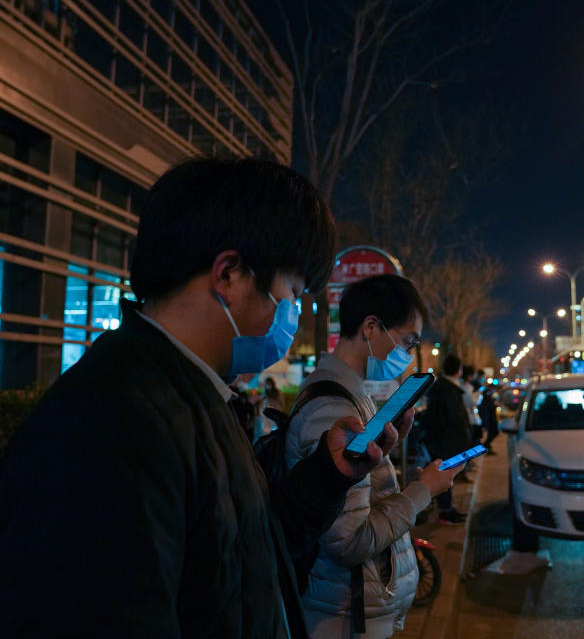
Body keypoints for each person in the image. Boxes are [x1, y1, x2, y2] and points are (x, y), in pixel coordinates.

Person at [0, 157, 407, 638]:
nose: (294, 313)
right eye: (292, 291)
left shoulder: (197, 396)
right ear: (229, 274)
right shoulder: (111, 428)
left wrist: (325, 476)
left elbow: (242, 552)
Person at [285, 274, 458, 638]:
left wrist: (390, 444)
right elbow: (349, 542)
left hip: (353, 608)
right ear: (371, 327)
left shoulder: (347, 393)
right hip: (344, 615)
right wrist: (424, 489)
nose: (408, 355)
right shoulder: (333, 409)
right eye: (407, 342)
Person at [423, 354, 473, 523]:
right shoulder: (449, 390)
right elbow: (455, 419)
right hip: (447, 442)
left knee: (445, 474)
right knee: (445, 475)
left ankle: (447, 508)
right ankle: (445, 511)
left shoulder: (440, 387)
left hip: (441, 440)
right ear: (458, 370)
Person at [460, 364, 483, 444]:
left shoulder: (462, 386)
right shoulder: (466, 388)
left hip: (467, 419)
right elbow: (473, 402)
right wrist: (479, 394)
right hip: (469, 419)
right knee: (472, 443)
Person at [479, 382, 500, 453]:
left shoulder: (487, 394)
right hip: (489, 417)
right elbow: (486, 407)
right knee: (493, 432)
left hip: (490, 417)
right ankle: (485, 446)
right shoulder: (486, 394)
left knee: (493, 432)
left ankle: (487, 446)